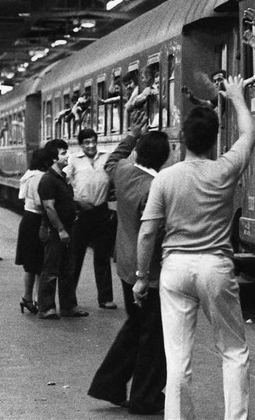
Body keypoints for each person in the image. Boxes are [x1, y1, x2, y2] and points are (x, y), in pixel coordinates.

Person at [133, 75, 255, 420]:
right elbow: (249, 135)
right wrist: (236, 97)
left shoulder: (165, 179)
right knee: (233, 351)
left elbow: (147, 233)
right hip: (215, 268)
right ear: (216, 139)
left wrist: (142, 278)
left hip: (174, 270)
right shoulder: (224, 169)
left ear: (182, 139)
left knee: (177, 359)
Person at [88, 110, 170, 415]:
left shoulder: (123, 171)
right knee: (153, 335)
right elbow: (153, 235)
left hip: (123, 265)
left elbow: (112, 159)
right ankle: (144, 397)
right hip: (145, 272)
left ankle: (108, 385)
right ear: (164, 158)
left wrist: (132, 134)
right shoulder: (156, 187)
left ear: (138, 152)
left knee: (135, 326)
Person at [37, 139, 87, 319]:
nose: (68, 156)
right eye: (63, 153)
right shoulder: (48, 180)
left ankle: (68, 306)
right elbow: (49, 207)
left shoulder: (62, 178)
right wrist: (60, 230)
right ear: (53, 157)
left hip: (68, 227)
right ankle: (46, 307)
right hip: (55, 231)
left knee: (68, 269)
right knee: (51, 269)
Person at [67, 128, 116, 310]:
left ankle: (105, 298)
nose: (90, 145)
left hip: (101, 210)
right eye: (86, 142)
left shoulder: (106, 156)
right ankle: (69, 299)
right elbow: (65, 182)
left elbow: (113, 178)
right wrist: (75, 200)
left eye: (93, 141)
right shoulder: (73, 160)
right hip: (81, 211)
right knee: (76, 255)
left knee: (102, 255)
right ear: (81, 145)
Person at [16, 148, 49, 315]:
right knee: (38, 264)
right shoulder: (38, 177)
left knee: (31, 264)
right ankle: (34, 299)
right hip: (36, 221)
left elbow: (23, 197)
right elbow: (39, 201)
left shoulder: (29, 175)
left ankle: (28, 298)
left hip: (28, 220)